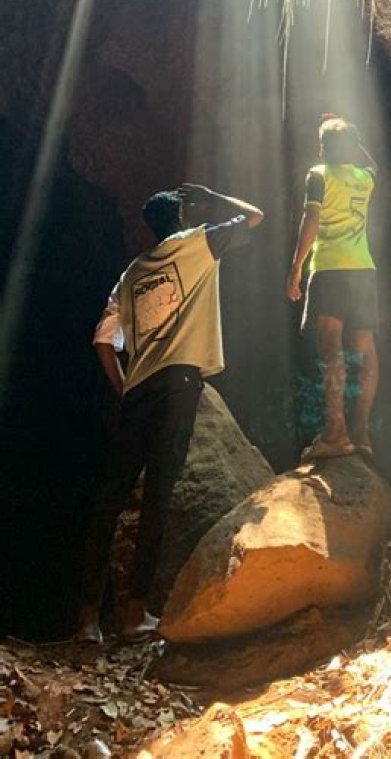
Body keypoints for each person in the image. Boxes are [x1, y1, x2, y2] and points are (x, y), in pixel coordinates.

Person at [76, 182, 264, 642]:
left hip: (138, 388)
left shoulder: (133, 272)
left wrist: (125, 388)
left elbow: (102, 341)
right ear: (181, 219)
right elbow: (255, 216)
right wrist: (213, 194)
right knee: (158, 497)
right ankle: (135, 614)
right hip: (179, 382)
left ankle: (85, 621)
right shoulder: (198, 243)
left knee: (109, 502)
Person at [286, 116, 379, 460]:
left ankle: (336, 433)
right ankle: (362, 431)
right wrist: (351, 136)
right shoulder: (364, 178)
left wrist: (295, 268)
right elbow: (373, 164)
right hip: (364, 270)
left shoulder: (318, 174)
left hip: (329, 269)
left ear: (323, 147)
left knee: (331, 348)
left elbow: (311, 220)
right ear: (352, 148)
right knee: (366, 349)